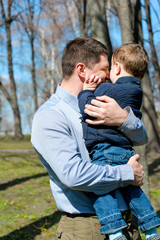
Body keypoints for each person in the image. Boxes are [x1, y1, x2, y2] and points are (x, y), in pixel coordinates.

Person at [31, 37, 147, 240]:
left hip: (130, 225)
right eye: (104, 68)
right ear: (82, 70)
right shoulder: (50, 115)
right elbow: (74, 175)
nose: (110, 75)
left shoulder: (107, 101)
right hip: (89, 229)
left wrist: (122, 119)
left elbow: (142, 137)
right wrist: (127, 173)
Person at [78, 43, 160, 240]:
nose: (106, 75)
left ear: (116, 67)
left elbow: (88, 107)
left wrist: (86, 90)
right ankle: (150, 229)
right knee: (133, 190)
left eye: (108, 70)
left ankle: (114, 231)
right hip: (125, 151)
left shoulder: (108, 89)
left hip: (105, 150)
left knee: (101, 189)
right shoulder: (136, 91)